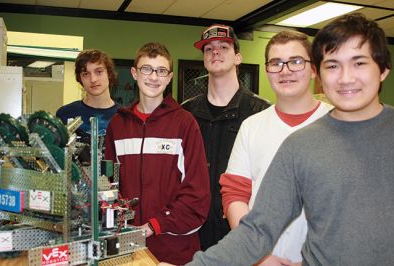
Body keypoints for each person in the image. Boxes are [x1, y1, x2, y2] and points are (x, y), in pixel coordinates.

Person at [160, 12, 393, 265]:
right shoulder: (300, 143)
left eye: (359, 63)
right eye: (333, 65)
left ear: (383, 69)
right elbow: (256, 229)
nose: (346, 77)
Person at [220, 30, 332, 266]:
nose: (285, 70)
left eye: (296, 61)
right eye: (276, 63)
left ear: (314, 69)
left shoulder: (338, 123)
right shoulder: (251, 126)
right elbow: (235, 195)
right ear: (267, 70)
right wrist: (258, 255)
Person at [104, 42, 210, 265]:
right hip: (128, 248)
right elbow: (109, 185)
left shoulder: (185, 123)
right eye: (146, 69)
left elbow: (197, 195)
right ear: (134, 73)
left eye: (161, 71)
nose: (154, 77)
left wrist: (155, 225)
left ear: (170, 77)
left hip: (175, 250)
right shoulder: (117, 125)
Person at [182, 24, 270, 251]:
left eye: (223, 46)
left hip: (241, 231)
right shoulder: (186, 113)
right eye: (208, 49)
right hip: (193, 231)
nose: (215, 52)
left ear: (238, 58)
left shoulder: (261, 112)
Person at [56, 49, 120, 144]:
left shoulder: (124, 117)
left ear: (109, 74)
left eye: (99, 72)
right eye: (86, 74)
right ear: (80, 79)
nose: (93, 79)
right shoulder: (65, 114)